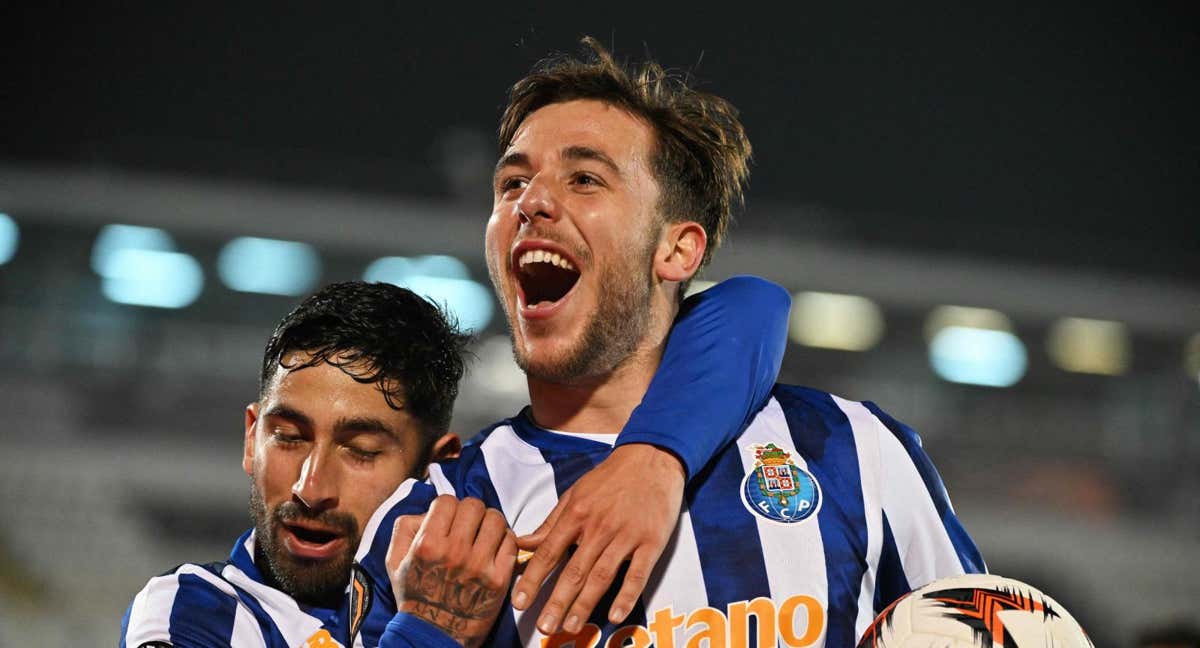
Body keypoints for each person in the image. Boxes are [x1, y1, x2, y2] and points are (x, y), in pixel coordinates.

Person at [384, 37, 986, 647]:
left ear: (678, 249)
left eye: (585, 179)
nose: (531, 201)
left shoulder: (853, 450)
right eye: (512, 183)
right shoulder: (435, 516)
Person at [121, 271, 791, 647]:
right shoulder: (193, 612)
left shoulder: (487, 551)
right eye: (288, 436)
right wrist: (430, 632)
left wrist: (654, 461)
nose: (310, 485)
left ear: (433, 468)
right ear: (249, 438)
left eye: (360, 450)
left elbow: (751, 306)